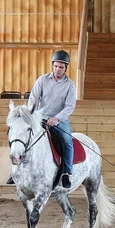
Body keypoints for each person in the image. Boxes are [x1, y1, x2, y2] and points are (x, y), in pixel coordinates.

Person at [7, 50, 77, 188]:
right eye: (56, 66)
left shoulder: (70, 85)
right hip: (39, 117)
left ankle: (66, 173)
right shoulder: (42, 80)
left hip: (59, 120)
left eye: (61, 67)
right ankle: (15, 171)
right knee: (22, 136)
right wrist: (30, 114)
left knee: (67, 140)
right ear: (52, 65)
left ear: (66, 68)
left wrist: (56, 119)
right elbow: (33, 99)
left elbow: (70, 106)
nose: (58, 69)